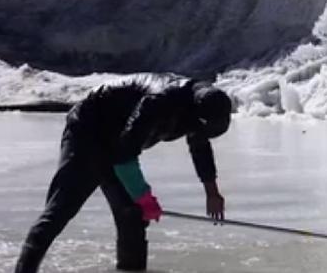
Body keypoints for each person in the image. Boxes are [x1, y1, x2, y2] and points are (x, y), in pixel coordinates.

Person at [14, 74, 232, 273]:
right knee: (61, 208)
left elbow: (199, 146)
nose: (197, 133)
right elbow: (124, 157)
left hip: (118, 141)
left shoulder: (203, 104)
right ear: (195, 113)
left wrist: (212, 192)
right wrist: (145, 198)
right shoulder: (157, 102)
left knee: (132, 215)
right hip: (89, 131)